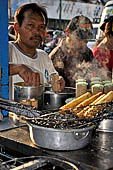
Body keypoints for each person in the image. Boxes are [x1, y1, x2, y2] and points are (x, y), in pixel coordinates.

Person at [9, 3, 65, 99]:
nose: (37, 31)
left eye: (41, 27)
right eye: (30, 25)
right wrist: (17, 68)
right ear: (17, 28)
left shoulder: (43, 56)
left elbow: (53, 77)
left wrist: (59, 81)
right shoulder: (7, 50)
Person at [49, 15, 94, 87]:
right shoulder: (56, 56)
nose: (83, 44)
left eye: (86, 40)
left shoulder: (88, 53)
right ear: (67, 32)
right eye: (79, 39)